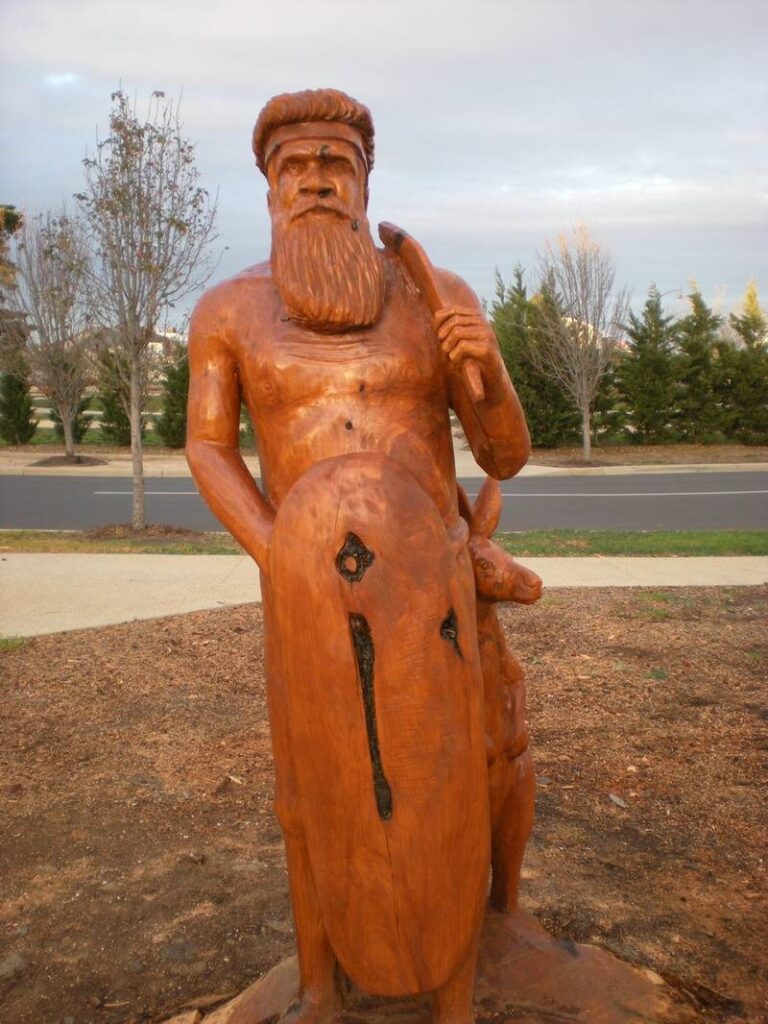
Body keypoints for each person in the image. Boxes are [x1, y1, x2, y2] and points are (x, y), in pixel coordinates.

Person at [186, 88, 531, 1024]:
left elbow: (504, 455)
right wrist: (277, 555)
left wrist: (487, 370)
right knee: (309, 783)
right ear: (267, 187)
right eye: (293, 167)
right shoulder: (228, 311)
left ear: (366, 175)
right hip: (305, 588)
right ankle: (317, 986)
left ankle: (465, 970)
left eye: (334, 162)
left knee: (455, 767)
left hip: (436, 586)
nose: (315, 181)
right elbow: (208, 447)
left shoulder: (433, 294)